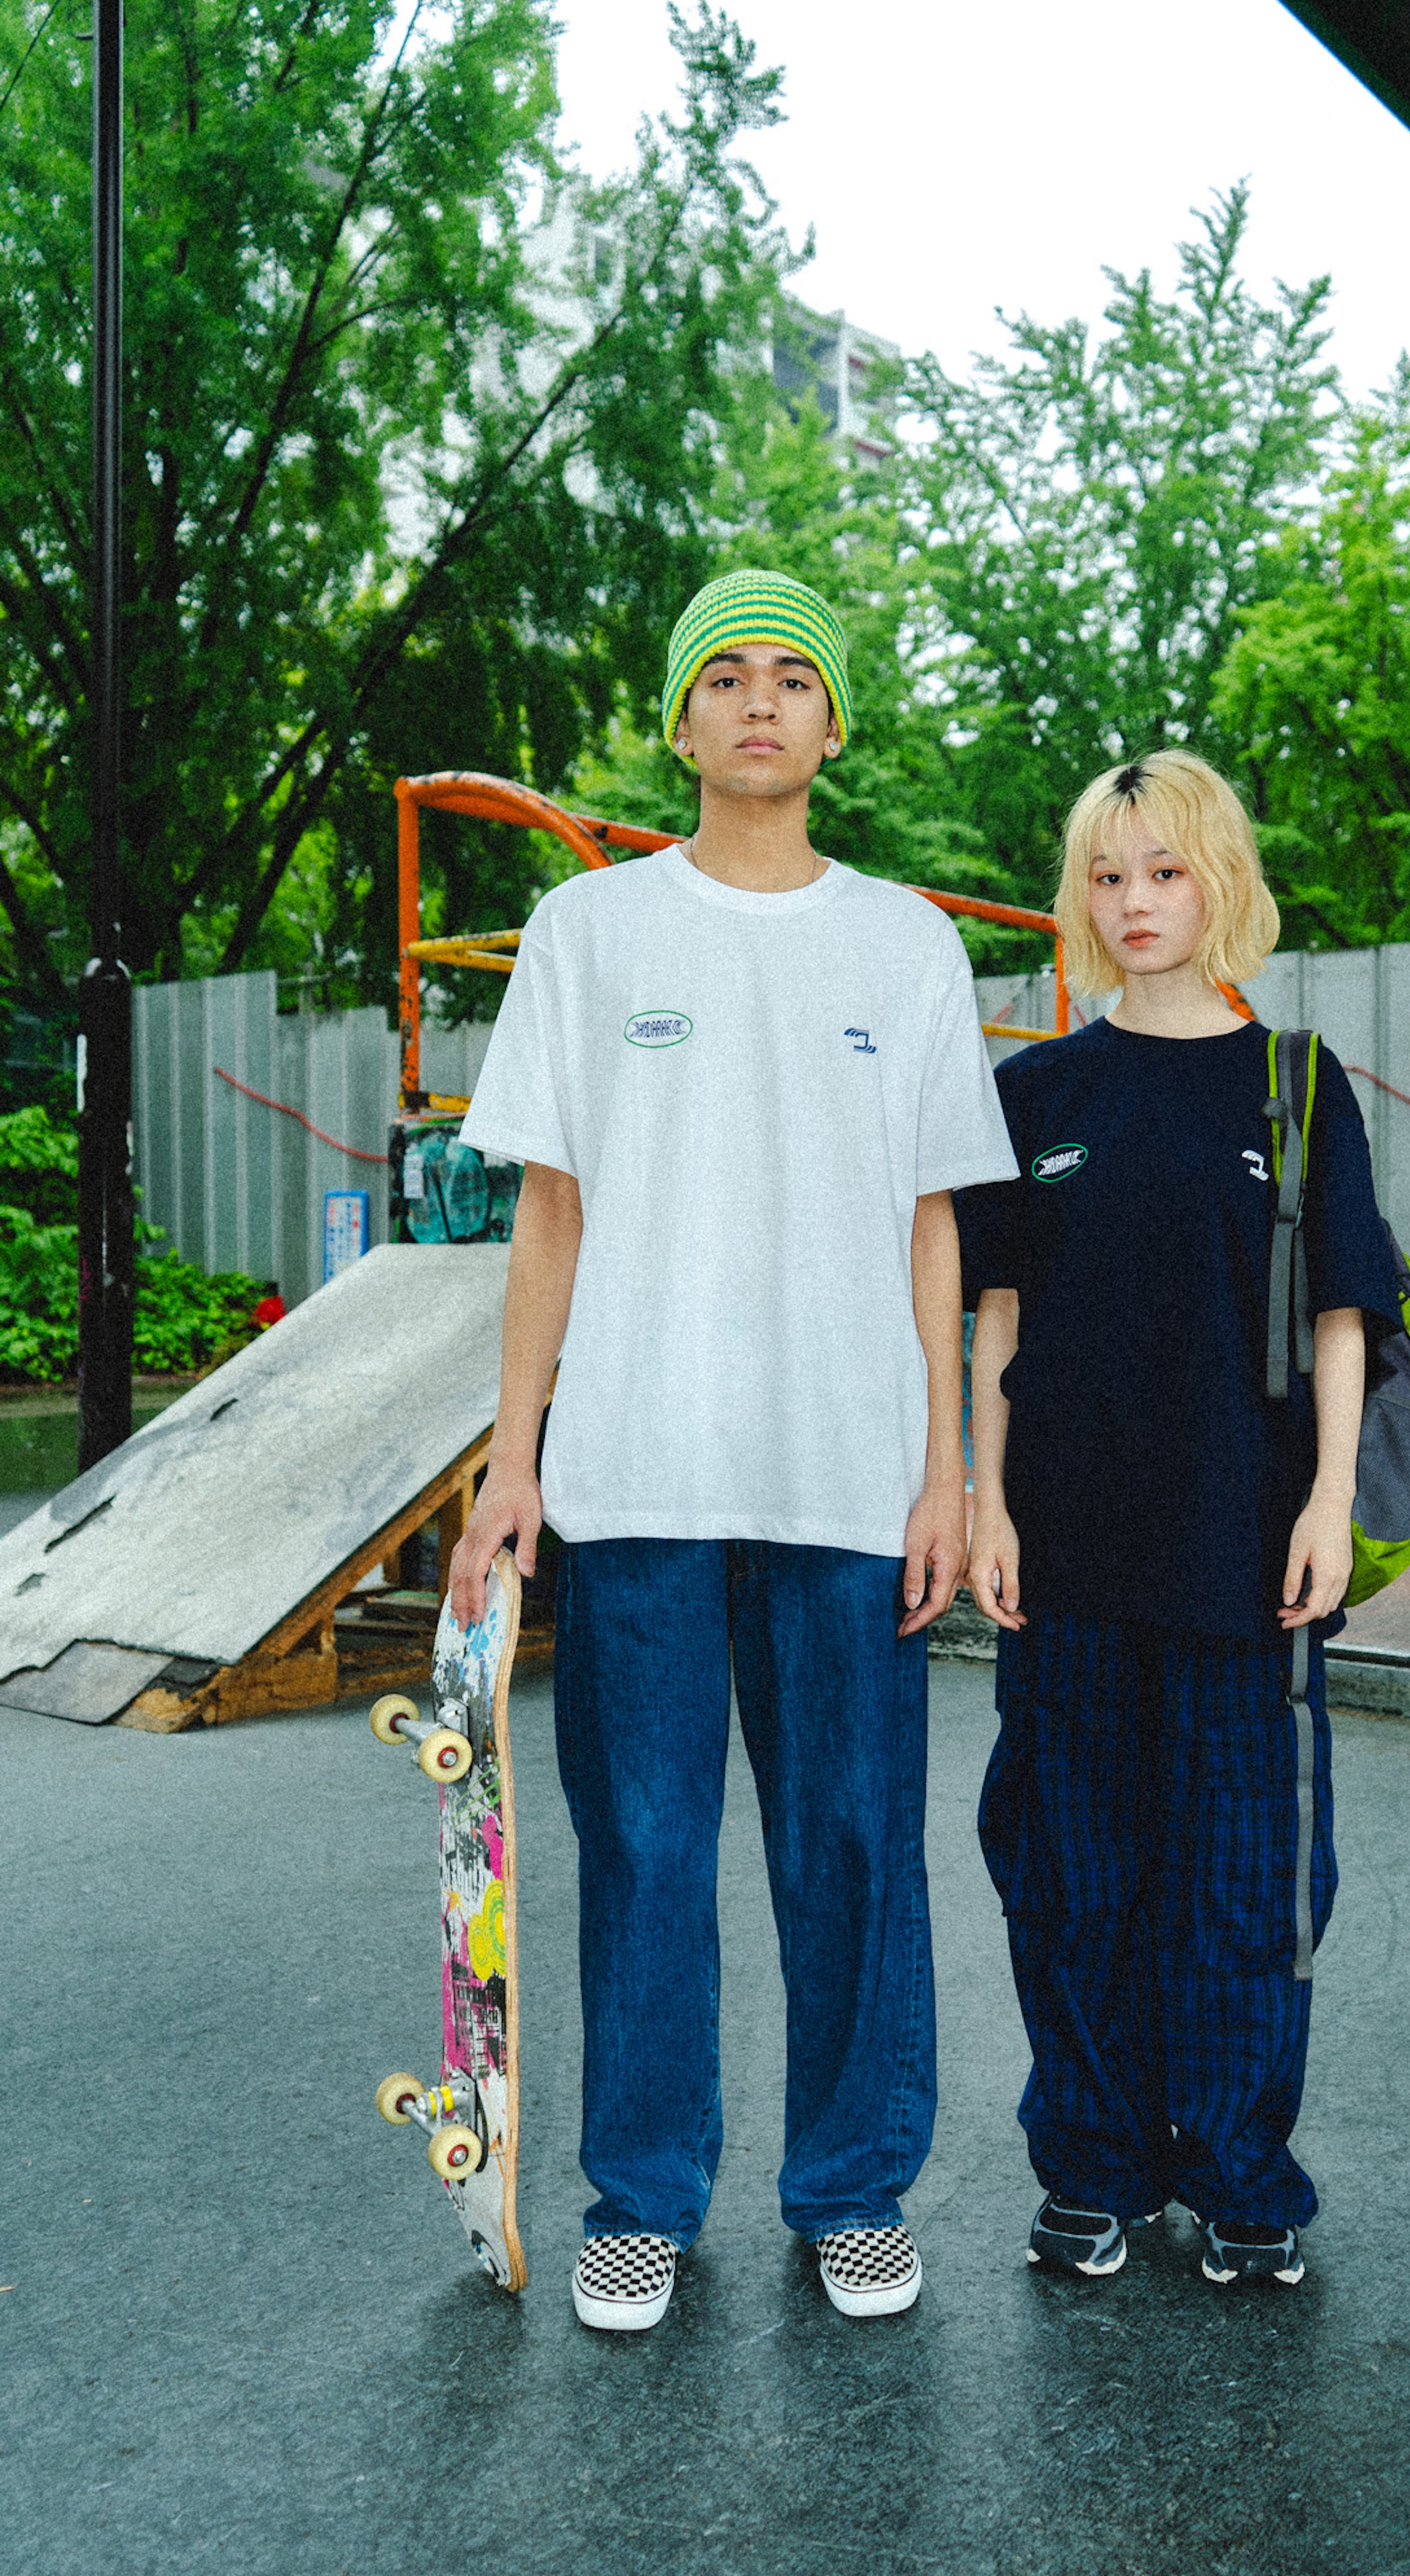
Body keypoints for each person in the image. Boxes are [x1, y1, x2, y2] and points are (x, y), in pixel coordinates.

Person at [449, 570, 1017, 2331]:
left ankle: (852, 2189)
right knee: (641, 1843)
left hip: (848, 1478)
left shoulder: (905, 944)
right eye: (725, 677)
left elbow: (936, 1224)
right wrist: (512, 1458)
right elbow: (548, 1212)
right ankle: (642, 2198)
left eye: (792, 678)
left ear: (832, 727)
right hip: (637, 1472)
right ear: (681, 722)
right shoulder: (588, 929)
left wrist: (946, 1471)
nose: (759, 702)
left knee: (849, 1842)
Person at [956, 751, 1398, 2290]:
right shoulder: (1037, 1094)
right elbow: (998, 1320)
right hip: (1066, 1554)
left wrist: (1328, 1501)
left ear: (1220, 883)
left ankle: (1239, 2174)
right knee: (1070, 1875)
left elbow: (1341, 1316)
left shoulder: (1295, 1084)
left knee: (1240, 1882)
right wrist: (985, 1499)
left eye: (1163, 870)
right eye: (1106, 875)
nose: (1134, 901)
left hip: (1241, 1552)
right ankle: (1093, 2168)